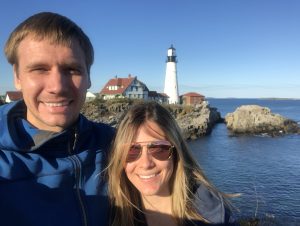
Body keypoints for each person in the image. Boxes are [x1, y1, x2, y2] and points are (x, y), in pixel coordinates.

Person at [0, 12, 114, 226]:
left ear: (89, 77)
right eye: (39, 69)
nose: (58, 87)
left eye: (72, 69)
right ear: (17, 77)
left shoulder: (116, 144)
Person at [108, 101, 237, 226]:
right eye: (131, 150)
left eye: (159, 149)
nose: (146, 164)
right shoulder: (109, 215)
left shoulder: (213, 215)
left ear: (176, 152)